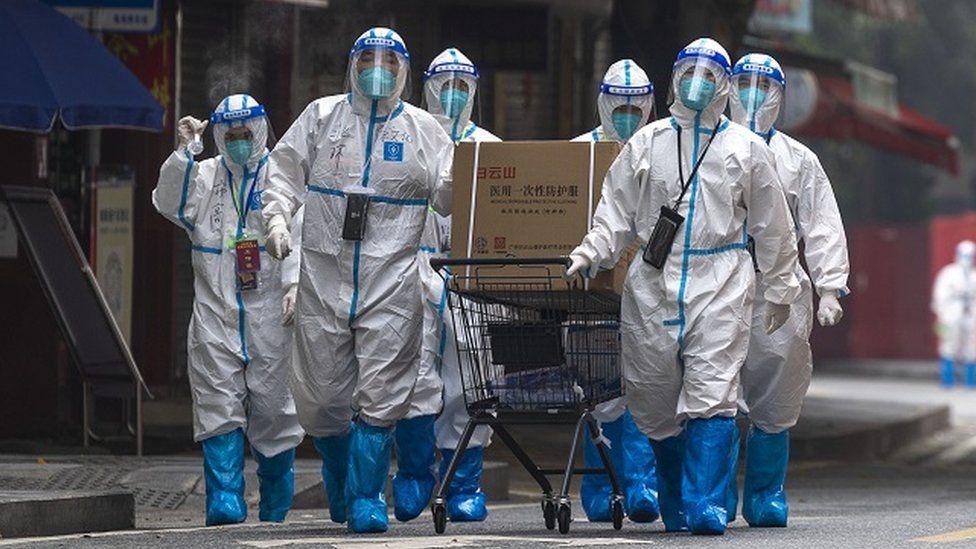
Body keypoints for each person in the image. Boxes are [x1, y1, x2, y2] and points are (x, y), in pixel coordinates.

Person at [566, 38, 801, 535]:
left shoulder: (746, 148)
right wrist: (591, 251)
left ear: (722, 85)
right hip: (652, 281)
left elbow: (773, 227)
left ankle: (705, 504)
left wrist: (780, 288)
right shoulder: (646, 144)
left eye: (709, 73)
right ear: (674, 77)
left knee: (713, 391)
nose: (698, 81)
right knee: (653, 396)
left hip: (722, 280)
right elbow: (616, 212)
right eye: (689, 70)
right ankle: (674, 495)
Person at [260, 27, 454, 534]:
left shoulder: (425, 131)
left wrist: (467, 175)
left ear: (404, 71)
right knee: (321, 400)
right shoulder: (323, 118)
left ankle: (367, 496)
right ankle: (339, 466)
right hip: (324, 277)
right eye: (368, 58)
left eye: (389, 61)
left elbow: (452, 197)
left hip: (392, 281)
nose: (378, 68)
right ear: (352, 63)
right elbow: (280, 172)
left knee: (383, 392)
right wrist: (277, 220)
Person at [152, 94, 304, 526]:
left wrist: (294, 284)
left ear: (259, 132)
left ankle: (275, 502)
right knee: (218, 405)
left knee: (275, 411)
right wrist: (183, 154)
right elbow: (170, 205)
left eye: (245, 134)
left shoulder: (281, 174)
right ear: (218, 135)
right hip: (216, 312)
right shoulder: (204, 175)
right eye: (230, 135)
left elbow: (301, 229)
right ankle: (224, 499)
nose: (238, 142)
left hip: (271, 315)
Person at [727, 53, 850, 528]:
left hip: (779, 285)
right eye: (744, 83)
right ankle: (709, 496)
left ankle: (764, 495)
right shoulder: (708, 150)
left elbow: (821, 224)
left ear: (781, 96)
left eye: (764, 86)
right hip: (717, 278)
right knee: (710, 387)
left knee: (776, 390)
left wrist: (830, 286)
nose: (753, 94)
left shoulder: (799, 160)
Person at [386, 47, 504, 524]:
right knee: (410, 375)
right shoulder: (408, 136)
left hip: (472, 275)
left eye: (462, 87)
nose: (452, 95)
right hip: (412, 270)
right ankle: (415, 475)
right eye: (443, 85)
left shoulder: (491, 148)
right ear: (426, 87)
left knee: (471, 378)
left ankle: (464, 484)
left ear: (474, 92)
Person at [569, 59, 660, 524]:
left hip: (649, 286)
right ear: (603, 102)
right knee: (600, 391)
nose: (626, 115)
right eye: (618, 106)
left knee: (646, 384)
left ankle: (642, 484)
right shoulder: (577, 155)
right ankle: (601, 486)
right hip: (592, 289)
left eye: (635, 107)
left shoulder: (661, 149)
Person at [932, 240, 976, 388]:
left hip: (970, 314)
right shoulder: (948, 273)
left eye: (970, 255)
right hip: (952, 314)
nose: (967, 259)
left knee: (971, 347)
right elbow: (939, 296)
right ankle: (947, 380)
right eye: (965, 255)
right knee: (949, 345)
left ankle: (970, 381)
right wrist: (942, 315)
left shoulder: (974, 276)